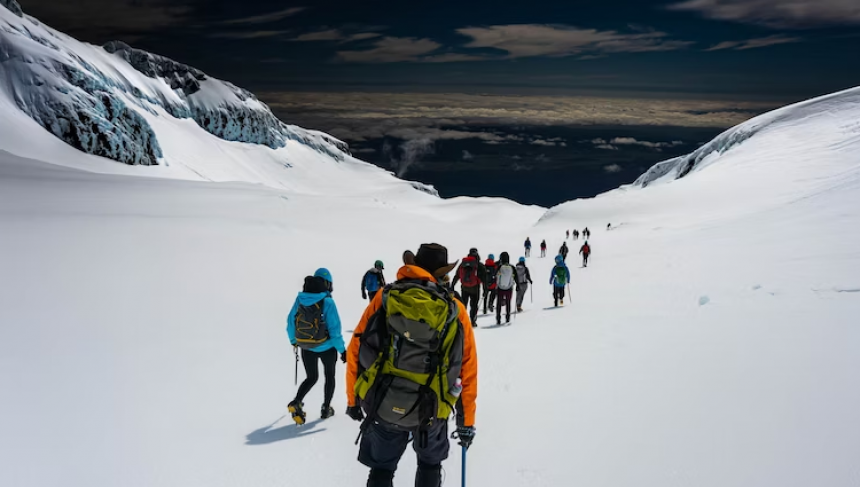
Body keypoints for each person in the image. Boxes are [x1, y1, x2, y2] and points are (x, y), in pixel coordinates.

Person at [345, 244, 478, 487]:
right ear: (441, 273)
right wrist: (465, 421)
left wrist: (353, 400)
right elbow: (467, 368)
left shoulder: (384, 297)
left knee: (382, 468)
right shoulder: (455, 309)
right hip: (433, 407)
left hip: (383, 399)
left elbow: (356, 348)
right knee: (429, 465)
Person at [286, 268, 346, 424]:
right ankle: (326, 408)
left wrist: (294, 340)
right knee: (329, 377)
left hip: (306, 346)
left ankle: (297, 401)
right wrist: (342, 351)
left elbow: (290, 321)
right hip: (327, 347)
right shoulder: (328, 302)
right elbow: (335, 330)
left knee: (311, 377)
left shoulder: (300, 299)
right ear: (328, 283)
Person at [451, 249, 484, 326]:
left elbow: (457, 275)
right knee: (474, 305)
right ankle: (472, 321)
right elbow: (484, 278)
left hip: (464, 288)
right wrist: (485, 289)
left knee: (463, 304)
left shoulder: (463, 264)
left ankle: (461, 320)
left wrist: (452, 285)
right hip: (475, 289)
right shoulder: (479, 265)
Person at [495, 252, 517, 325]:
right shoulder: (512, 267)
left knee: (499, 303)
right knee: (508, 303)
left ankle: (498, 319)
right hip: (509, 288)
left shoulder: (499, 267)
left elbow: (496, 276)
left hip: (500, 288)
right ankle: (508, 318)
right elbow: (516, 277)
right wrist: (518, 286)